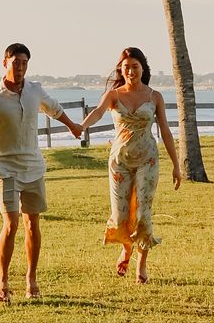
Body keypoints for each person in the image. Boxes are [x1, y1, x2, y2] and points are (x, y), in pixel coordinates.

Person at [0, 43, 83, 302]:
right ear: (5, 63)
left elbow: (55, 109)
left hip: (33, 166)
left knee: (32, 224)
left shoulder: (35, 91)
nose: (20, 67)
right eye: (16, 63)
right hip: (5, 168)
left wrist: (72, 126)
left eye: (24, 63)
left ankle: (31, 279)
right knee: (11, 224)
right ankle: (2, 281)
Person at [81, 46, 181, 284]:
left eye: (135, 67)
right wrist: (81, 126)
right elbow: (98, 112)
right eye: (126, 67)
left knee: (143, 214)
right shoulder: (113, 95)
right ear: (121, 70)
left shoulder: (154, 97)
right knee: (120, 215)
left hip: (148, 159)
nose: (130, 71)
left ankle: (141, 265)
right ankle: (126, 247)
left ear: (143, 68)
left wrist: (176, 165)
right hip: (120, 162)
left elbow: (165, 131)